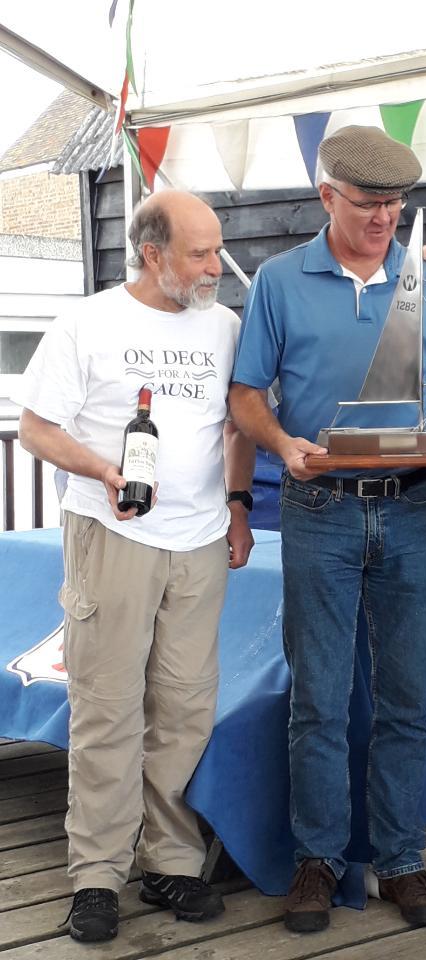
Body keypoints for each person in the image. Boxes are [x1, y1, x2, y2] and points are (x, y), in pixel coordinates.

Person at [229, 125, 426, 933]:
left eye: (397, 206)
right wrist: (281, 445)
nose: (385, 220)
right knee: (318, 700)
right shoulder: (276, 280)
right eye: (369, 203)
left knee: (408, 699)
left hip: (412, 508)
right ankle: (319, 860)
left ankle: (402, 859)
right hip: (318, 513)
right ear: (327, 195)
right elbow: (246, 397)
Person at [15, 190, 256, 943]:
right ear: (152, 254)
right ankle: (96, 875)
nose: (215, 267)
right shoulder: (88, 322)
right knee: (108, 708)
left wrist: (241, 506)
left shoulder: (225, 327)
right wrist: (103, 470)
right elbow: (35, 428)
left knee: (185, 709)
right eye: (199, 253)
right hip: (111, 537)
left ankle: (170, 861)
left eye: (216, 250)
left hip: (201, 541)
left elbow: (237, 422)